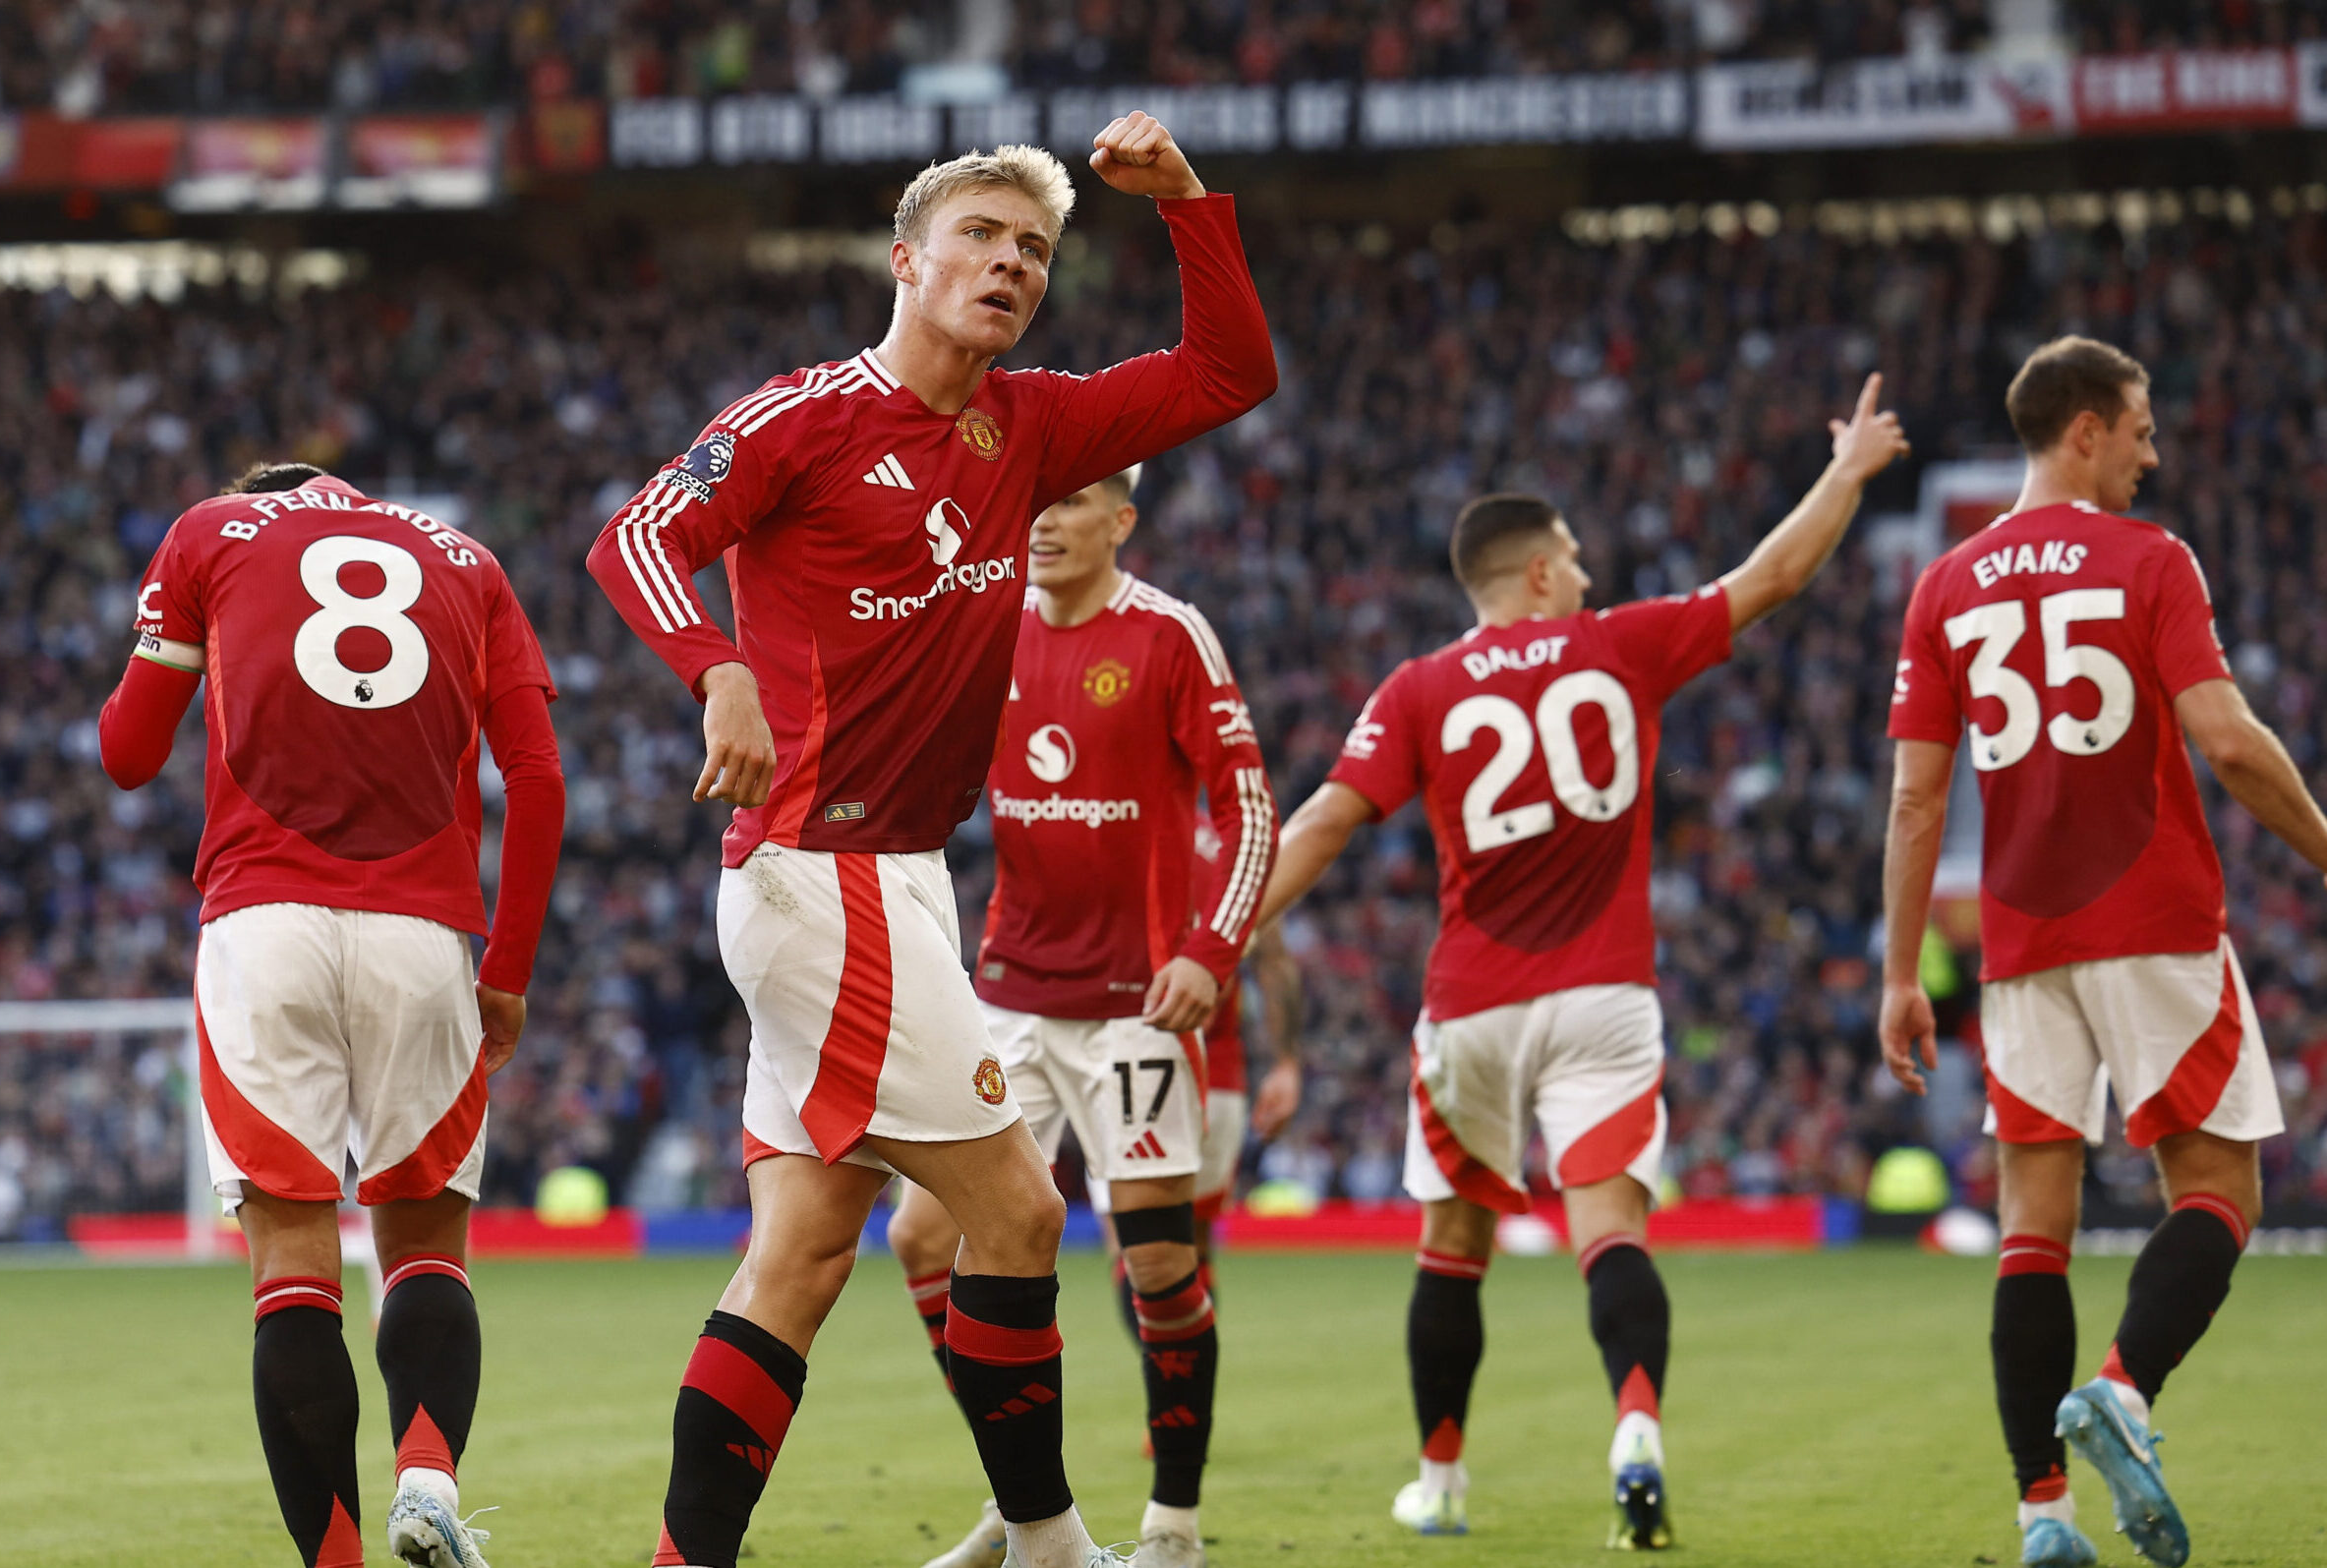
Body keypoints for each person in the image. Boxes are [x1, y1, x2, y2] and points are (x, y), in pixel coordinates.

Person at [585, 117, 1275, 1568]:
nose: (1010, 263)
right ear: (906, 260)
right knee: (1016, 1210)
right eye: (980, 236)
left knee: (804, 1252)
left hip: (891, 879)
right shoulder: (799, 418)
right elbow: (637, 535)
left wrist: (1188, 207)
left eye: (1032, 249)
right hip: (817, 871)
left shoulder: (1028, 427)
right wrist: (715, 666)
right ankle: (1051, 1542)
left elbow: (1230, 373)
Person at [1254, 377, 1909, 1546]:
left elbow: (1322, 821)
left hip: (1470, 1007)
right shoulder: (1623, 645)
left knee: (1451, 1249)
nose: (1591, 574)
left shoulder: (1417, 689)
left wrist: (1220, 923)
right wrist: (1847, 471)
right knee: (1609, 1231)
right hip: (1605, 998)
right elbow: (1771, 579)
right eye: (1575, 556)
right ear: (1540, 572)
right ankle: (1638, 1423)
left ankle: (1442, 1482)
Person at [1879, 337, 2316, 1568]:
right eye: (2138, 428)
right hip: (2153, 921)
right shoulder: (2149, 556)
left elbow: (1917, 800)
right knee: (2221, 1194)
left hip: (2018, 946)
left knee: (2033, 1228)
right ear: (2082, 429)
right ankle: (2122, 1389)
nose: (2150, 450)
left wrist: (1900, 971)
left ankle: (2041, 1515)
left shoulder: (1945, 585)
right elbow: (2225, 743)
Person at [96, 461, 566, 1568]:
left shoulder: (209, 533)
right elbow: (537, 781)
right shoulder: (469, 561)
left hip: (262, 929)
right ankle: (428, 1479)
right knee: (423, 1243)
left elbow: (126, 754)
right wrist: (511, 965)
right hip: (423, 935)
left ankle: (339, 1557)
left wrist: (182, 650)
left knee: (293, 1258)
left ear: (265, 493)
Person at [884, 469, 1280, 1568]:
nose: (1046, 519)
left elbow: (1247, 804)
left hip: (1134, 1003)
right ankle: (1023, 1507)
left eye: (1074, 502)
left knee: (1154, 1259)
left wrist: (1209, 950)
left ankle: (1174, 1523)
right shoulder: (981, 620)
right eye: (1034, 502)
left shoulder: (1167, 634)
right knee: (920, 1234)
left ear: (1122, 520)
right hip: (1009, 988)